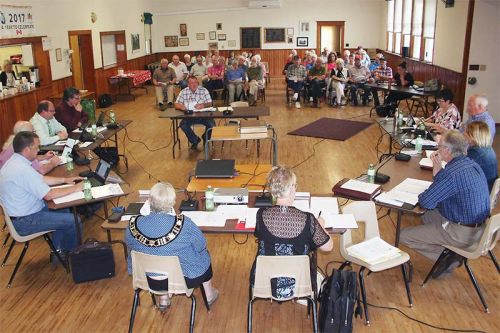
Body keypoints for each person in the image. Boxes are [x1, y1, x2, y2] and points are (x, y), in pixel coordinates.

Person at [400, 130, 490, 278]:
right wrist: (437, 171)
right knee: (427, 216)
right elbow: (445, 191)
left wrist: (429, 189)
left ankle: (448, 259)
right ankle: (446, 250)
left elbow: (426, 201)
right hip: (478, 228)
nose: (437, 149)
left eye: (439, 146)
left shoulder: (452, 173)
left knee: (403, 235)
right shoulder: (470, 164)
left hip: (462, 233)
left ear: (447, 150)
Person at [124, 182, 219, 311]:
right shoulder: (184, 224)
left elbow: (130, 247)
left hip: (146, 277)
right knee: (203, 254)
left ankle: (163, 297)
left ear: (149, 201)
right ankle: (208, 294)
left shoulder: (132, 225)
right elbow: (201, 245)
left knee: (156, 254)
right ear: (172, 202)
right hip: (181, 279)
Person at [251, 166, 333, 298]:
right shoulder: (308, 219)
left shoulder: (261, 215)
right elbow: (328, 246)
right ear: (291, 189)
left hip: (265, 283)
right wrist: (320, 224)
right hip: (300, 284)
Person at [0, 131, 83, 258]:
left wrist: (65, 180)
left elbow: (41, 179)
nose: (39, 150)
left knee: (64, 208)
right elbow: (48, 195)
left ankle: (58, 249)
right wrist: (76, 188)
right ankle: (70, 255)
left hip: (22, 214)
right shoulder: (22, 170)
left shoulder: (14, 162)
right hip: (25, 220)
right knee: (74, 221)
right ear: (27, 149)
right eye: (36, 147)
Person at [174, 76, 214, 150]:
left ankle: (206, 137)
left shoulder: (204, 90)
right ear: (188, 84)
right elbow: (176, 104)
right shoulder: (184, 91)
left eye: (195, 82)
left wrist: (203, 105)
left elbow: (210, 103)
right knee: (183, 125)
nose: (194, 84)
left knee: (212, 125)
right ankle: (195, 140)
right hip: (190, 116)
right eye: (191, 83)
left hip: (204, 115)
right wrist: (182, 107)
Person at [464, 121, 498, 191]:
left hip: (479, 190)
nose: (464, 134)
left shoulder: (475, 153)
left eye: (466, 132)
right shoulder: (488, 148)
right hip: (488, 187)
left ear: (472, 136)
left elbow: (461, 171)